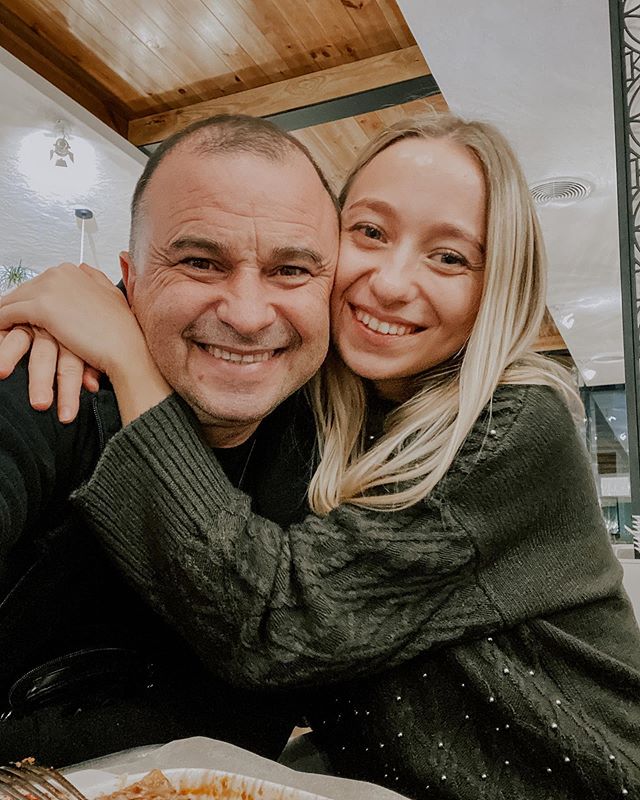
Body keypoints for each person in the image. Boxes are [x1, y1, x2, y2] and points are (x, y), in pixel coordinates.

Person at [2, 113, 639, 799]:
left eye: (450, 257)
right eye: (371, 232)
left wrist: (127, 354)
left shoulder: (507, 423)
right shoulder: (321, 409)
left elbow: (275, 625)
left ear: (498, 285)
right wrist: (100, 314)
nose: (391, 283)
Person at [0, 114, 339, 765]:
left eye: (291, 269)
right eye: (200, 262)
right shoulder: (46, 382)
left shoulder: (336, 443)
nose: (247, 314)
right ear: (130, 280)